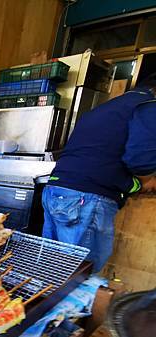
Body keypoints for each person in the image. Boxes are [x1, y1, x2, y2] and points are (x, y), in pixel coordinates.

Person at [43, 73, 156, 272]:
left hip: (55, 189)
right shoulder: (148, 106)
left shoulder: (108, 108)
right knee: (78, 274)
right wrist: (146, 180)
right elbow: (140, 158)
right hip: (85, 198)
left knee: (52, 268)